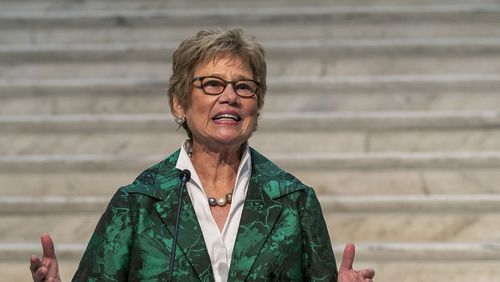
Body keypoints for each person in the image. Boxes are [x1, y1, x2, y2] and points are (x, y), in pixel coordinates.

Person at [30, 28, 375, 281]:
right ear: (179, 103)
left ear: (257, 106)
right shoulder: (137, 203)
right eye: (212, 84)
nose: (230, 96)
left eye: (244, 86)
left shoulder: (294, 202)